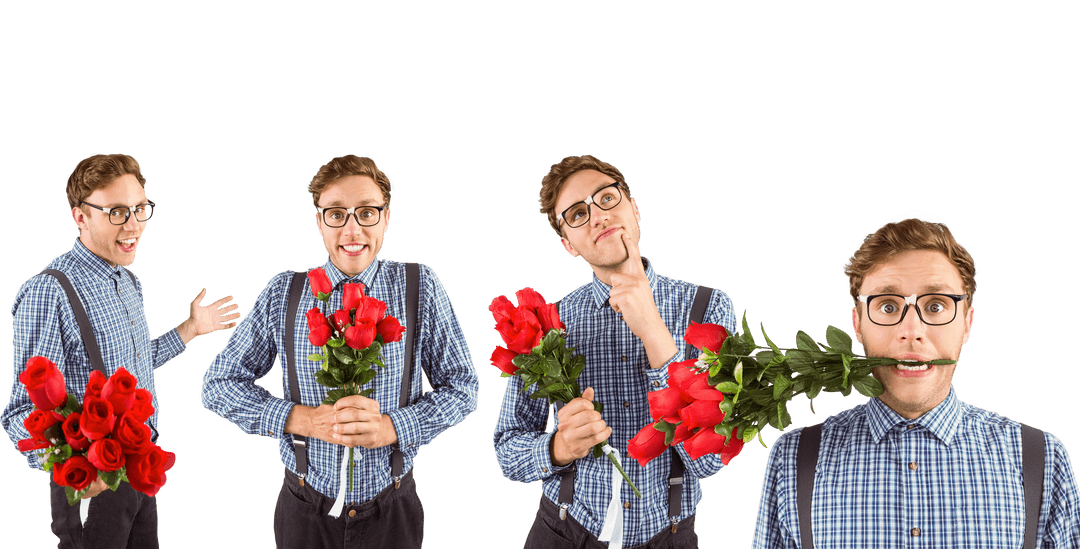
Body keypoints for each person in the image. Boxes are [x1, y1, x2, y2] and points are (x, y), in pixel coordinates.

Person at [751, 213, 1080, 548]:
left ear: (966, 324)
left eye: (936, 306)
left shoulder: (1041, 458)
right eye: (888, 307)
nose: (912, 332)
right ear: (859, 323)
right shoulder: (794, 459)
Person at [200, 153, 479, 548]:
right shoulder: (285, 292)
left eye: (366, 212)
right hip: (303, 507)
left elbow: (464, 388)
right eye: (336, 214)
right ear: (318, 221)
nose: (352, 229)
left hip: (392, 507)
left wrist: (394, 428)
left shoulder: (420, 285)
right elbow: (218, 384)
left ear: (386, 218)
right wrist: (299, 419)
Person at [493, 154, 738, 549]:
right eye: (576, 214)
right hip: (564, 531)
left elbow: (709, 460)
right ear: (567, 244)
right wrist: (557, 447)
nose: (597, 216)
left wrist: (654, 332)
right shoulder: (550, 324)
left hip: (668, 535)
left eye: (606, 198)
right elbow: (508, 450)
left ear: (634, 208)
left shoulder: (707, 308)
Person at [1, 152, 241, 548]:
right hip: (91, 484)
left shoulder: (129, 282)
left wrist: (190, 329)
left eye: (140, 209)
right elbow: (21, 412)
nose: (134, 225)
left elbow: (131, 369)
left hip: (139, 469)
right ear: (80, 217)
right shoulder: (50, 291)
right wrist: (67, 465)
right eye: (116, 212)